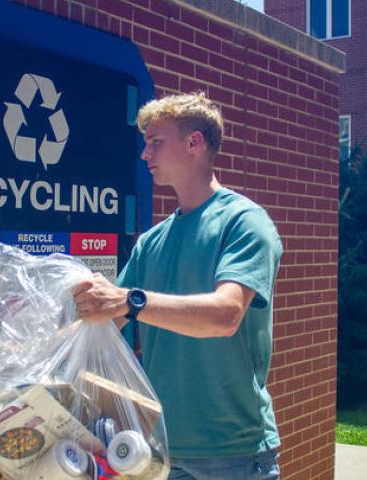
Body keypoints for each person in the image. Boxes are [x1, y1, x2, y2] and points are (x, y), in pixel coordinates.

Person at [72, 92, 283, 480]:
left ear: (194, 143)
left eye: (155, 141)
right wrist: (18, 353)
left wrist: (129, 300)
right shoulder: (151, 242)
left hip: (234, 453)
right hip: (161, 448)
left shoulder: (244, 223)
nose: (144, 154)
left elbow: (225, 315)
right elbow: (103, 324)